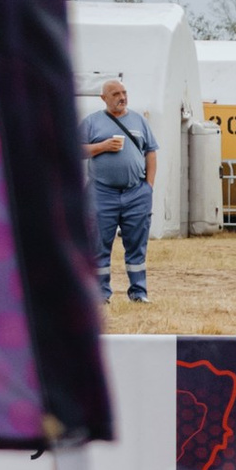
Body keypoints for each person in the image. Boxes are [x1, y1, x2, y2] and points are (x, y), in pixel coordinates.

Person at [84, 77, 158, 303]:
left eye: (124, 93)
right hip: (101, 193)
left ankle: (139, 292)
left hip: (136, 193)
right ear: (103, 98)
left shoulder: (139, 121)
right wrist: (102, 146)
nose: (122, 97)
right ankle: (101, 293)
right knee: (99, 244)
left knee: (137, 245)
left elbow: (151, 152)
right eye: (115, 94)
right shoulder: (92, 122)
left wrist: (148, 187)